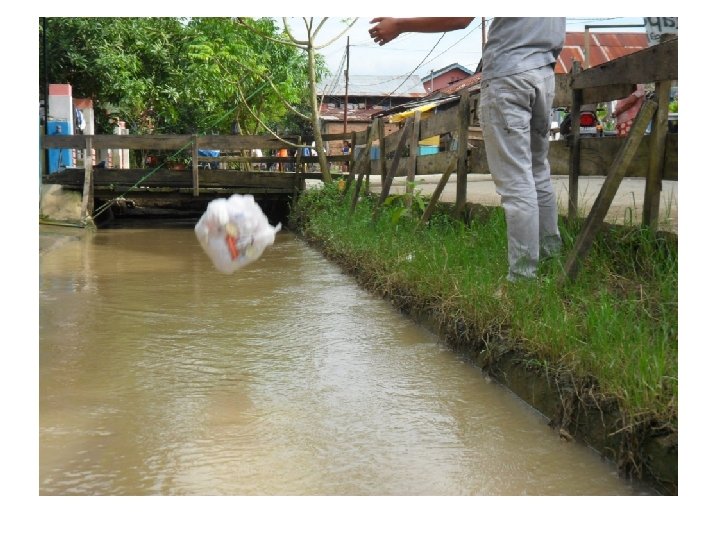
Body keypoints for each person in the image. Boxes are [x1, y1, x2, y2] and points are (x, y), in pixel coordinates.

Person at [369, 17, 565, 282]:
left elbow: (460, 18)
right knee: (538, 172)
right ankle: (551, 263)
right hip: (544, 75)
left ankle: (522, 278)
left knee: (516, 182)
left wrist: (399, 25)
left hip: (510, 75)